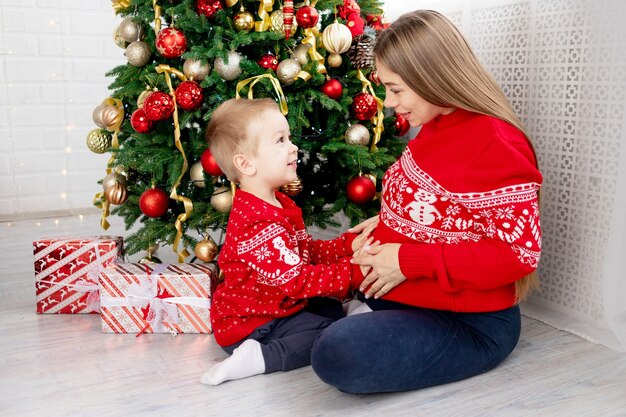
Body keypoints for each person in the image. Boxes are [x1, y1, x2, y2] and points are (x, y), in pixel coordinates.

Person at [310, 10, 543, 394]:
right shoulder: (435, 125)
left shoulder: (496, 143)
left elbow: (517, 255)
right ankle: (356, 311)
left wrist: (406, 258)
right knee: (288, 292)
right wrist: (391, 219)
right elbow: (440, 205)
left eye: (396, 89)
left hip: (467, 322)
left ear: (432, 75)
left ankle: (355, 318)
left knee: (337, 354)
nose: (388, 103)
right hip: (401, 296)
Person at [200, 98, 373, 386]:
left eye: (289, 137)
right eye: (280, 140)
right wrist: (356, 271)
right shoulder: (257, 222)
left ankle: (339, 314)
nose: (293, 147)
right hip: (250, 324)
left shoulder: (277, 202)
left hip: (277, 304)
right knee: (324, 334)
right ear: (246, 163)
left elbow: (306, 252)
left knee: (324, 306)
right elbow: (299, 282)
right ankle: (260, 358)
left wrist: (347, 246)